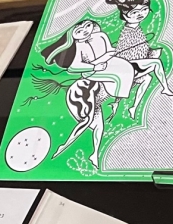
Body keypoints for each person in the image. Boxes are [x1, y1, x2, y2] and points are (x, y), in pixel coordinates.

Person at [43, 19, 134, 167]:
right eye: (79, 31)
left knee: (125, 68)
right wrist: (93, 66)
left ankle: (118, 100)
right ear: (73, 36)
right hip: (91, 77)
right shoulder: (78, 47)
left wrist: (107, 57)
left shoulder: (100, 36)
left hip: (108, 65)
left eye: (87, 26)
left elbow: (110, 50)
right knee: (95, 123)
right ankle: (89, 152)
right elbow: (73, 68)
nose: (85, 31)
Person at [105, 0, 173, 116]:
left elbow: (140, 50)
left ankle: (133, 107)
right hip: (128, 64)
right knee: (156, 63)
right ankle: (165, 88)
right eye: (135, 13)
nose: (140, 14)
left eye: (144, 10)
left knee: (147, 78)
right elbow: (126, 55)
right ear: (125, 16)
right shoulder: (128, 31)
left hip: (134, 64)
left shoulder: (137, 28)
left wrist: (150, 52)